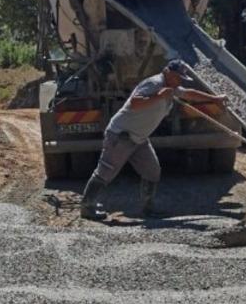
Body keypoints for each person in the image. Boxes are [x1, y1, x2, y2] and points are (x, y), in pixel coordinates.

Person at [80, 60, 227, 220]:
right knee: (105, 171)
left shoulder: (172, 88)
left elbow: (189, 93)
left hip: (139, 138)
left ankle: (148, 209)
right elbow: (135, 103)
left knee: (152, 171)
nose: (180, 81)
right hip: (121, 135)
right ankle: (87, 207)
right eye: (178, 77)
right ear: (168, 72)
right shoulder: (154, 83)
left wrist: (214, 98)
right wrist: (158, 96)